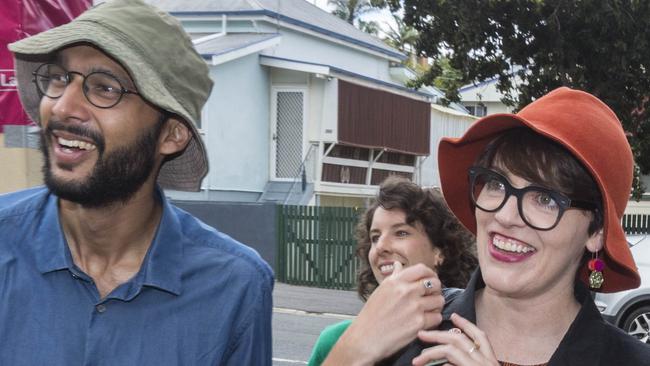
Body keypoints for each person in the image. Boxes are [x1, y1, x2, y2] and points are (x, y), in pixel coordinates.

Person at [2, 1, 273, 365]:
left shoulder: (235, 286)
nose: (63, 107)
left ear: (171, 135)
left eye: (105, 88)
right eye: (59, 78)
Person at [389, 87, 650, 365]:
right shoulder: (407, 329)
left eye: (545, 199)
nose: (505, 215)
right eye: (495, 183)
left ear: (597, 232)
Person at [313, 176, 477, 365]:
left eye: (401, 233)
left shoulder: (469, 336)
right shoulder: (335, 341)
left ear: (439, 251)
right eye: (375, 237)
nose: (381, 247)